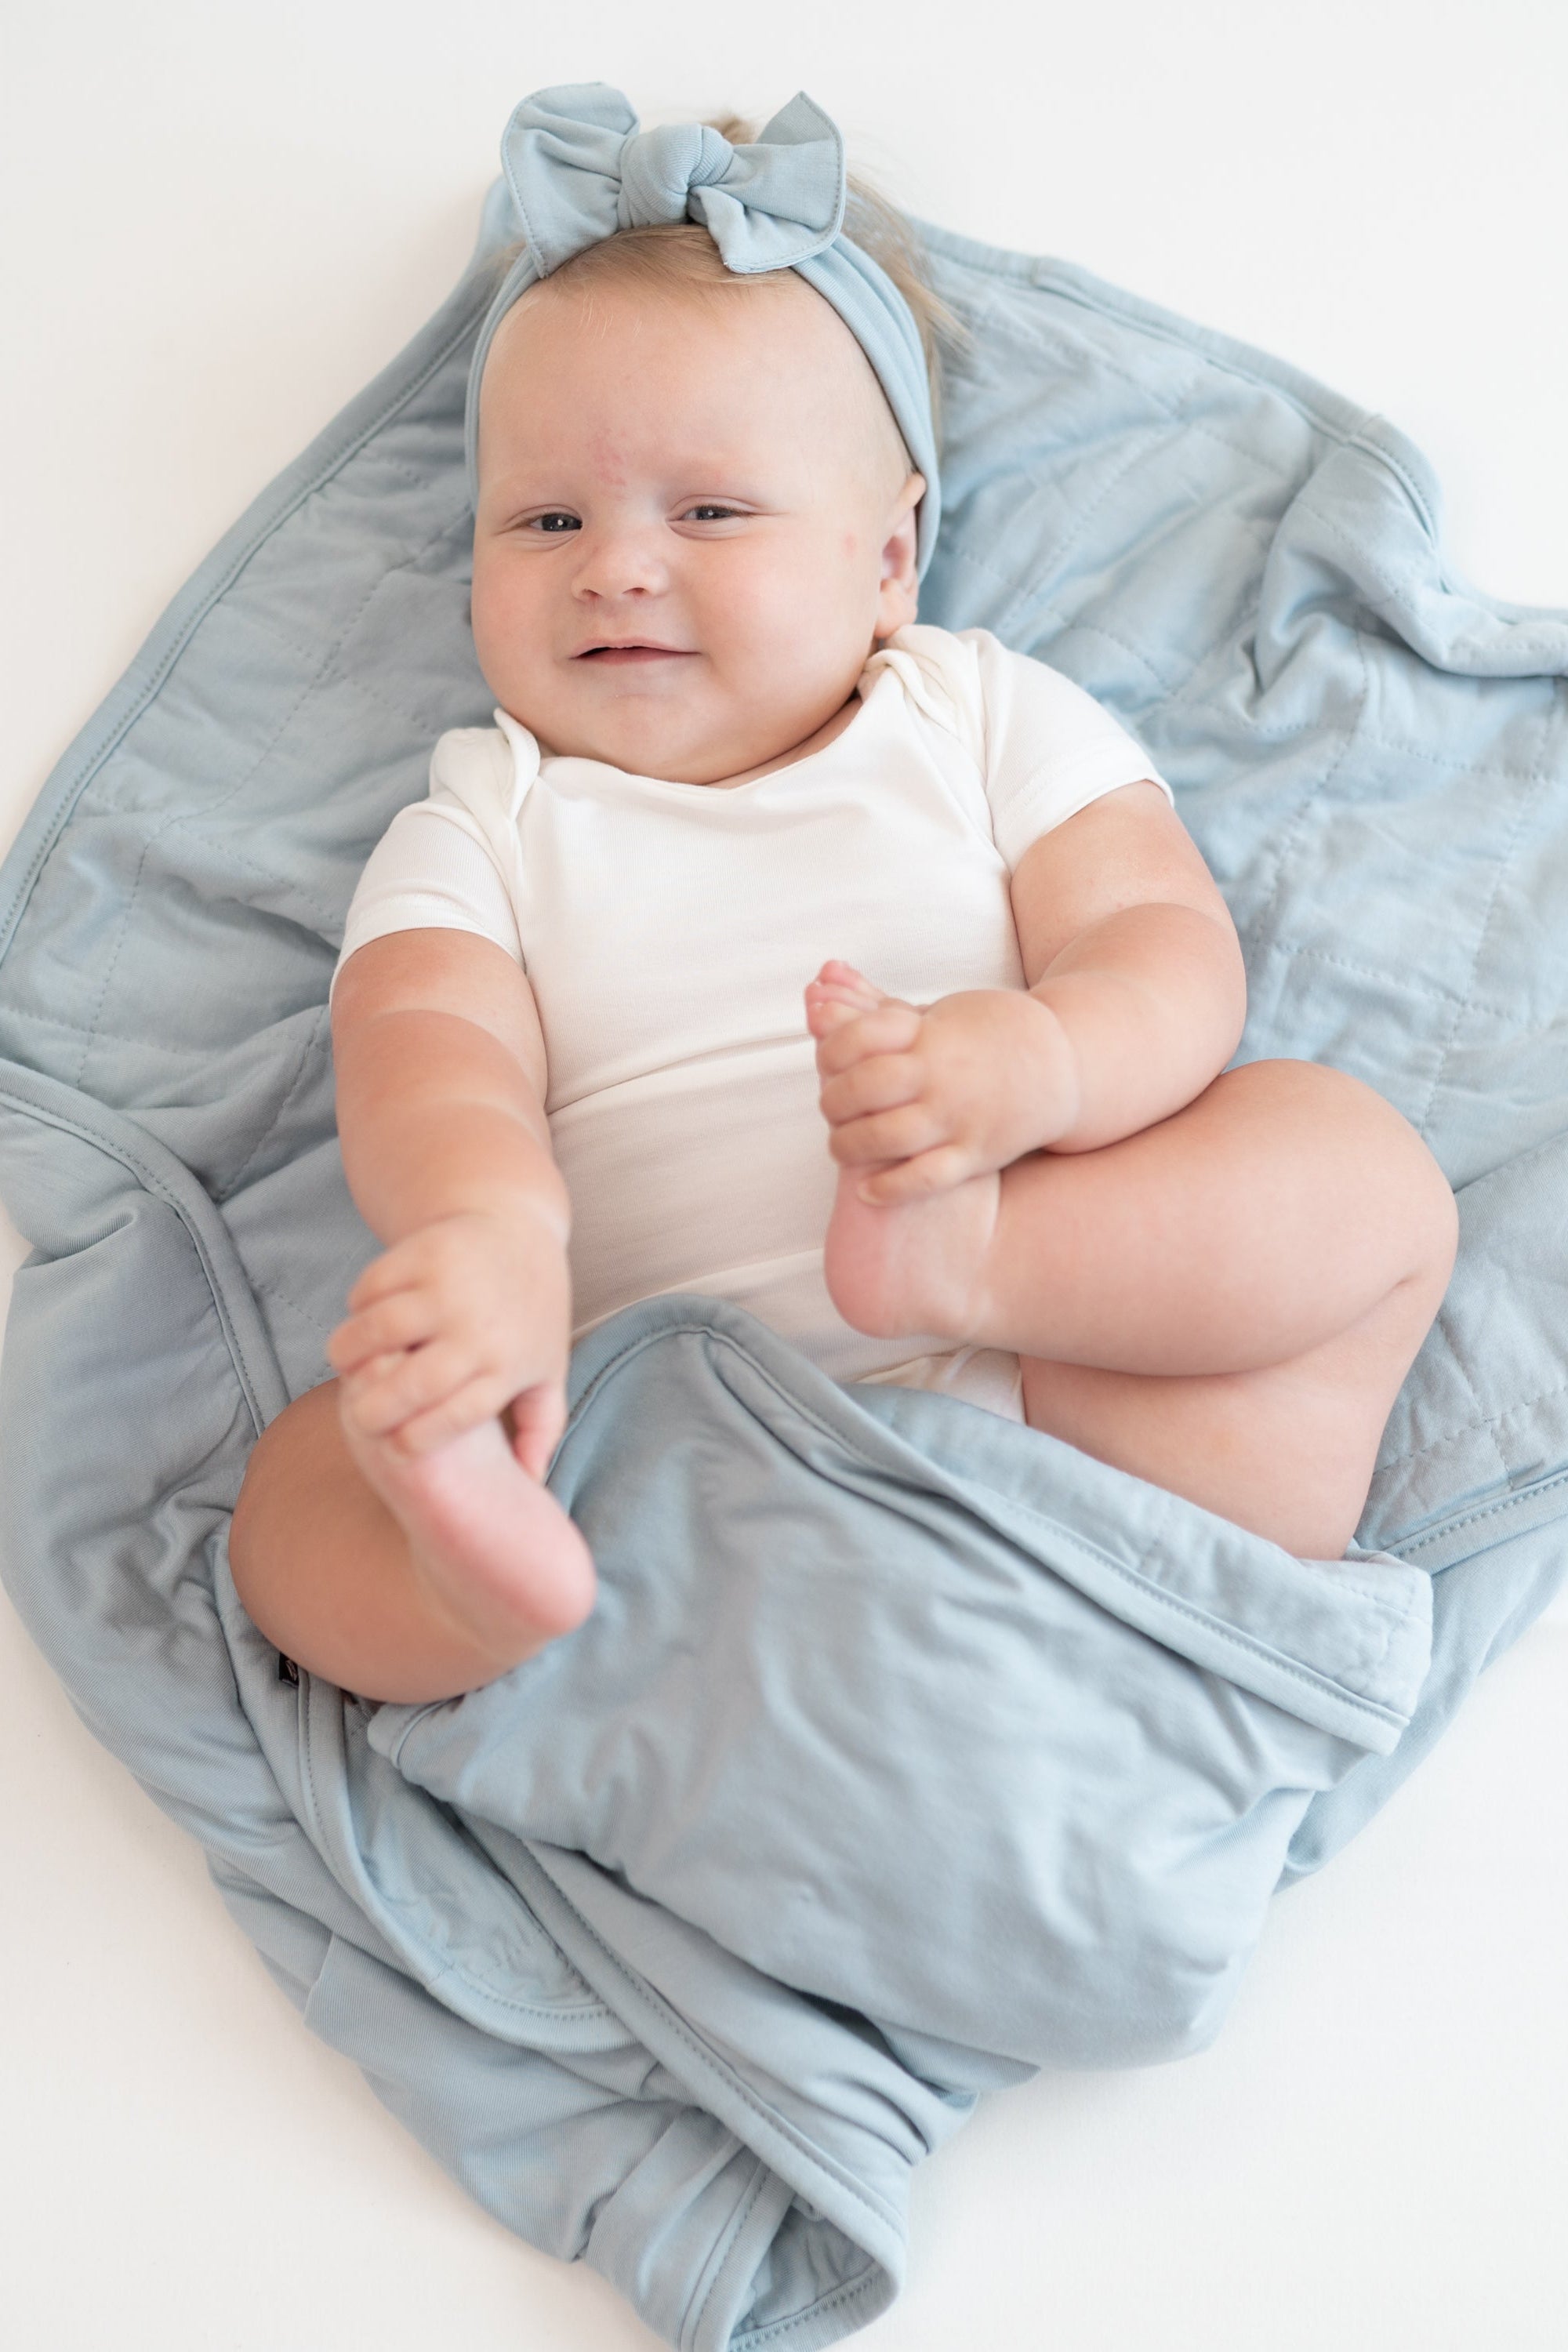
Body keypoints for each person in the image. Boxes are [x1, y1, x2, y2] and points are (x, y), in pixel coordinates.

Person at [229, 87, 1458, 1704]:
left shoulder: (972, 713)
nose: (615, 566)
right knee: (291, 1505)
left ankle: (969, 1267)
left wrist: (1039, 1061)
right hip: (647, 1442)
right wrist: (492, 1236)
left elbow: (1155, 942)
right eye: (542, 520)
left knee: (1358, 1183)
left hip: (1054, 1390)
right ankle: (486, 1593)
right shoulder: (492, 813)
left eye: (712, 512)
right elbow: (423, 1045)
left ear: (889, 561)